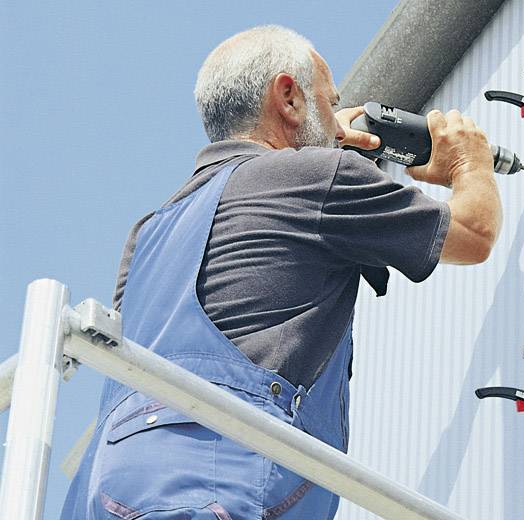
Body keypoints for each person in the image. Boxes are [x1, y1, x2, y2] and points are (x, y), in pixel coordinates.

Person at [61, 24, 501, 519]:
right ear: (289, 98)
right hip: (224, 489)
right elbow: (474, 233)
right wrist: (469, 162)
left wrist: (325, 136)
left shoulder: (149, 232)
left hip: (108, 494)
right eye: (328, 102)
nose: (338, 122)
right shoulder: (319, 176)